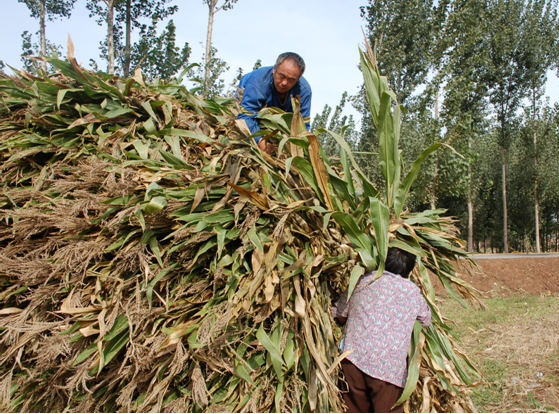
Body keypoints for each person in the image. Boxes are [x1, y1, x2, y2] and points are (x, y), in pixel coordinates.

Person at [332, 248, 431, 413]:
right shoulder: (412, 292)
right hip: (387, 369)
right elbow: (426, 320)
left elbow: (340, 314)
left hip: (352, 361)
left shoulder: (363, 281)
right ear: (410, 268)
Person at [234, 52, 312, 154]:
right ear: (274, 69)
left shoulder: (304, 91)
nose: (284, 83)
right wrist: (260, 140)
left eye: (291, 80)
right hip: (249, 97)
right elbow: (245, 116)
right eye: (281, 76)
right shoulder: (257, 81)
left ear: (298, 79)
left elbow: (302, 126)